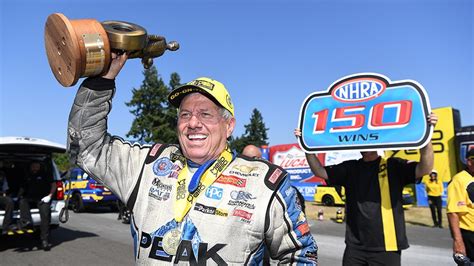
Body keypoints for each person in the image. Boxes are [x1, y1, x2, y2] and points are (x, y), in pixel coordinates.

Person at [66, 52, 318, 264]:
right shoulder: (149, 164)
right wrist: (102, 80)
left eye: (206, 114)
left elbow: (301, 254)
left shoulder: (265, 183)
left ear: (228, 126)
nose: (193, 123)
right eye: (185, 115)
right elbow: (86, 147)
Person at [294, 112, 437, 266]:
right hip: (355, 247)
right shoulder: (350, 167)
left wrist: (426, 136)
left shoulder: (394, 166)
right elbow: (319, 172)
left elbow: (425, 169)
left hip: (387, 248)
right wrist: (306, 146)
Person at [18, 161, 56, 250]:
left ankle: (44, 240)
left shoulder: (46, 174)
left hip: (43, 198)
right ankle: (26, 222)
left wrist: (49, 196)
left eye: (36, 166)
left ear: (39, 167)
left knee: (45, 215)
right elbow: (22, 187)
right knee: (22, 202)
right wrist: (18, 196)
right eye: (33, 166)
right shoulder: (27, 175)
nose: (35, 168)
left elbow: (54, 185)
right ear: (30, 167)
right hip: (30, 198)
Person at [447, 149, 474, 263]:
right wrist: (458, 241)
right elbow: (453, 212)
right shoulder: (459, 180)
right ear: (469, 161)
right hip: (470, 236)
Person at [0, 161, 14, 235]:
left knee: (9, 201)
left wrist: (4, 194)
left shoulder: (2, 174)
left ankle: (6, 227)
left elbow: (5, 186)